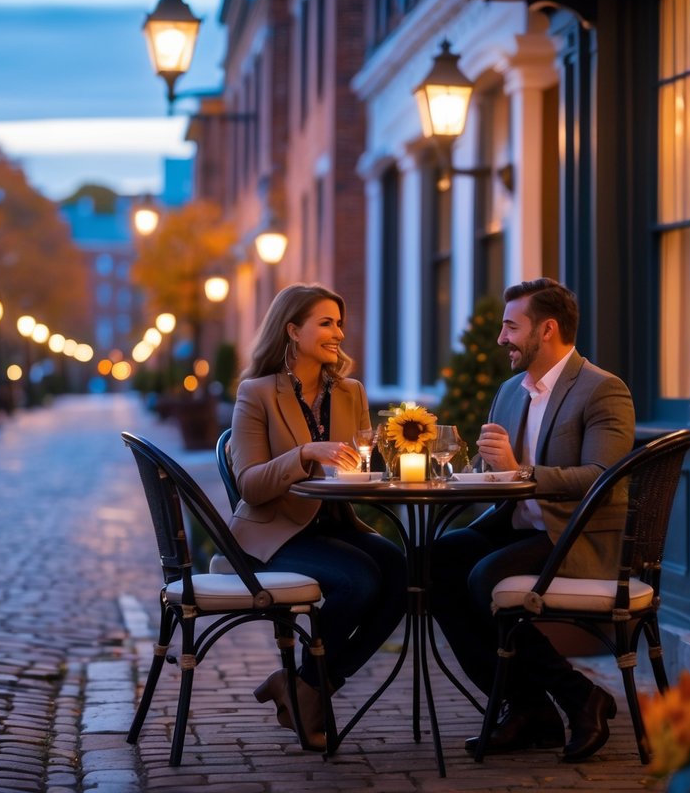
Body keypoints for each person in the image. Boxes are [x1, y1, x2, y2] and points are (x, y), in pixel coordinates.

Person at [430, 277, 636, 762]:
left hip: (575, 534)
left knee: (484, 580)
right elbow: (497, 476)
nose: (501, 338)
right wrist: (475, 473)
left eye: (510, 326)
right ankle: (526, 708)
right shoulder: (510, 391)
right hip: (518, 524)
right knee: (433, 564)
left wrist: (517, 470)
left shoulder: (603, 390)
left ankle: (579, 696)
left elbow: (598, 477)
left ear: (546, 329)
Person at [228, 283, 407, 750]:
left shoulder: (351, 392)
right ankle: (308, 690)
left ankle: (306, 684)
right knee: (359, 580)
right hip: (273, 535)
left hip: (335, 526)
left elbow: (364, 463)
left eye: (339, 323)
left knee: (403, 573)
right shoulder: (257, 394)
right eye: (325, 323)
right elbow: (250, 484)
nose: (338, 333)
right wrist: (305, 452)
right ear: (292, 330)